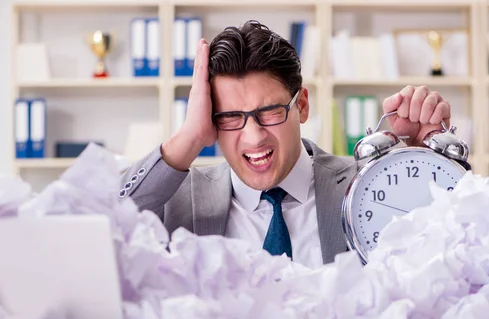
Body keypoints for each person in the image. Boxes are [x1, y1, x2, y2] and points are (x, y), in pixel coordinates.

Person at [119, 20, 467, 267]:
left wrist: (425, 165)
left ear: (302, 105)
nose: (254, 137)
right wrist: (189, 138)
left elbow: (458, 251)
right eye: (230, 117)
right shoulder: (174, 199)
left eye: (269, 112)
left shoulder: (369, 186)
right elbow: (96, 226)